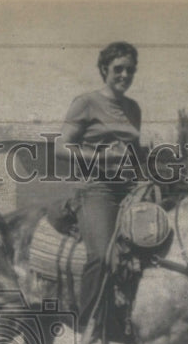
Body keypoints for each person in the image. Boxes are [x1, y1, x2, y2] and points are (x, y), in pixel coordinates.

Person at [55, 41, 144, 323]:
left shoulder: (133, 108)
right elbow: (60, 148)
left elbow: (135, 154)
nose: (124, 76)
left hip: (130, 188)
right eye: (118, 69)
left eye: (130, 70)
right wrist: (101, 159)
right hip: (96, 189)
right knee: (104, 256)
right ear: (104, 69)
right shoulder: (86, 103)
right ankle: (89, 321)